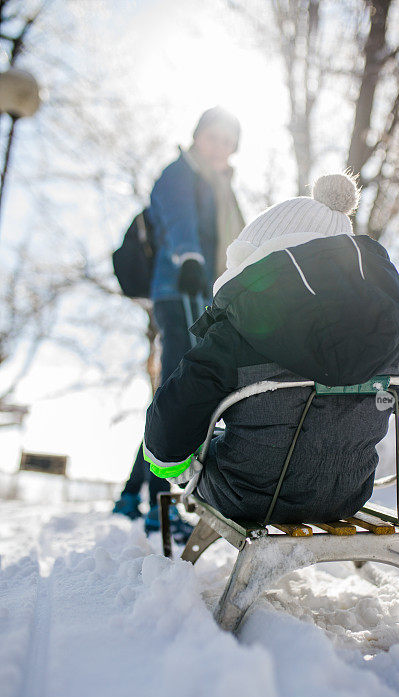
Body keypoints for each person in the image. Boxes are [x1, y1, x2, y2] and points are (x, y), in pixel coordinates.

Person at [142, 173, 399, 524]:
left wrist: (173, 464)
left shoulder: (240, 326)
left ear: (258, 256)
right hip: (347, 493)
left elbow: (174, 416)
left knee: (211, 442)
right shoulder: (397, 328)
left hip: (245, 494)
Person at [113, 107, 245, 537]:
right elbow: (179, 220)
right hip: (179, 289)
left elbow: (238, 239)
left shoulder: (221, 186)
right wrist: (189, 258)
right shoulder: (179, 173)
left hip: (201, 294)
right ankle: (162, 507)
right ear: (198, 135)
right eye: (214, 136)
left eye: (229, 140)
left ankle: (132, 494)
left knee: (172, 391)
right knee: (179, 392)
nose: (220, 145)